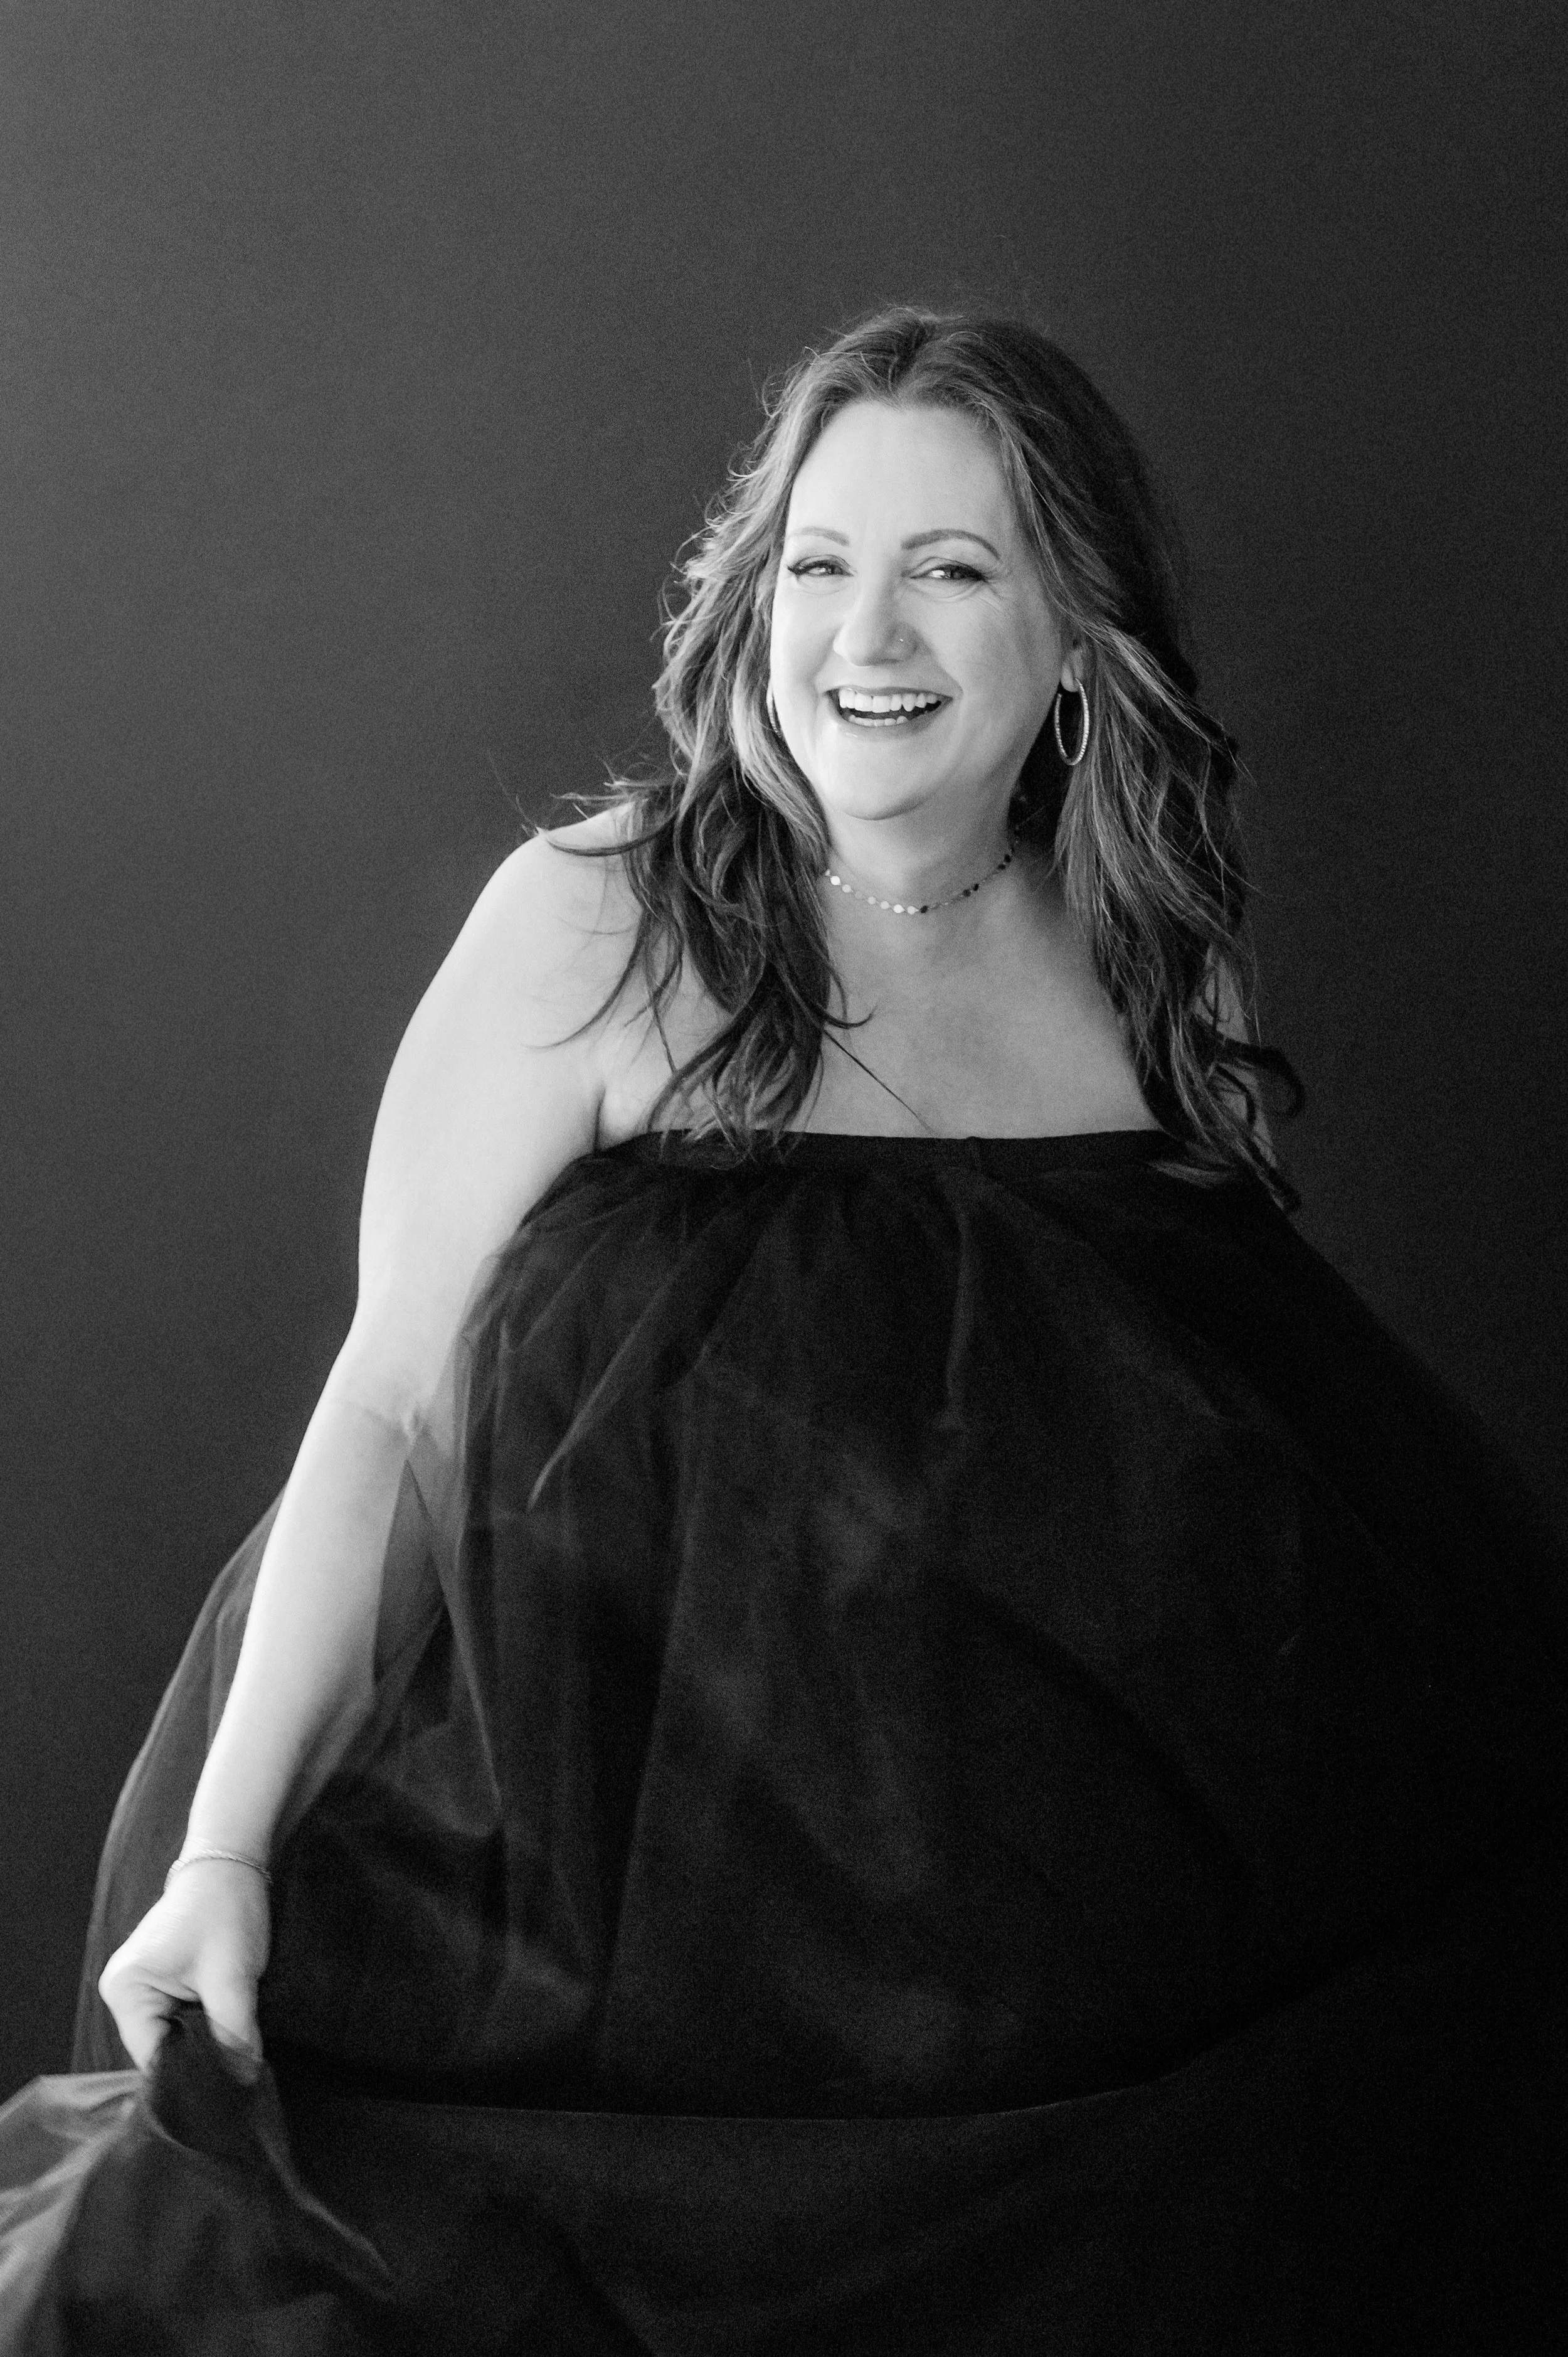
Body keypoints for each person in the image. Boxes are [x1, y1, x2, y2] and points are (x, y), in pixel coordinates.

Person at [1, 306, 1564, 2353]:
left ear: (1078, 639)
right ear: (756, 604)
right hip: (580, 1963)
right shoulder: (601, 913)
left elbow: (1213, 1477)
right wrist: (224, 1850)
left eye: (951, 564)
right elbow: (385, 1396)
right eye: (821, 562)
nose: (867, 628)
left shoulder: (1139, 966)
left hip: (1002, 2028)